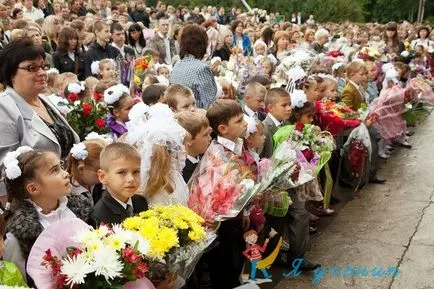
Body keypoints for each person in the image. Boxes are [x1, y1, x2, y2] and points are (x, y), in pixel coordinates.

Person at [0, 39, 79, 201]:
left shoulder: (44, 100)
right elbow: (4, 173)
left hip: (66, 196)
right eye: (32, 68)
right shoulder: (4, 107)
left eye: (43, 66)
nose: (42, 73)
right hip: (35, 206)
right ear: (11, 73)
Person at [3, 147, 92, 277]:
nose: (66, 173)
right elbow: (18, 281)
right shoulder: (19, 237)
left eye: (61, 166)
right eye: (55, 170)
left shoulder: (80, 210)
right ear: (33, 188)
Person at [204, 99, 254, 289]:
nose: (245, 123)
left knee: (237, 259)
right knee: (226, 264)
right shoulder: (218, 153)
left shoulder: (239, 144)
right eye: (240, 121)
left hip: (238, 214)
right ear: (223, 129)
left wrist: (247, 210)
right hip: (224, 220)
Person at [90, 142, 148, 226]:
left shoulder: (141, 201)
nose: (131, 179)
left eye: (136, 172)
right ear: (103, 177)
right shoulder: (99, 216)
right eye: (122, 172)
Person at [170, 24, 217, 109]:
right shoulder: (201, 69)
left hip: (180, 116)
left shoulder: (177, 65)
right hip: (196, 118)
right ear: (203, 44)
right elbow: (209, 105)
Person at [66, 140, 107, 207]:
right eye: (99, 171)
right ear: (81, 169)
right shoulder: (71, 195)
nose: (104, 175)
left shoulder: (96, 184)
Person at [175, 111, 211, 183]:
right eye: (205, 135)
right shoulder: (181, 171)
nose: (209, 138)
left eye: (209, 133)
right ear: (188, 140)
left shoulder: (205, 158)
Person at [260, 88, 291, 159]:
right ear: (270, 108)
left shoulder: (287, 124)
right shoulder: (264, 129)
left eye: (289, 104)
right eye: (284, 105)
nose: (289, 108)